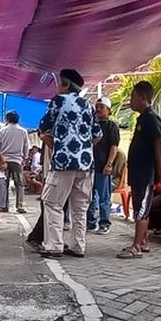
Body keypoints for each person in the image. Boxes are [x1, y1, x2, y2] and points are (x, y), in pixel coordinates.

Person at [38, 68, 100, 259]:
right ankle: (78, 246)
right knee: (80, 207)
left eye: (59, 83)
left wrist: (57, 145)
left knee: (53, 203)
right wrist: (84, 147)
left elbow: (43, 126)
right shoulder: (88, 106)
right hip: (86, 164)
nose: (57, 87)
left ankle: (54, 245)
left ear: (65, 85)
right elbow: (97, 135)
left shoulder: (57, 102)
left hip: (63, 162)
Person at [118, 80, 161, 259]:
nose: (130, 101)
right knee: (138, 206)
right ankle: (143, 241)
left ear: (143, 97)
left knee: (141, 211)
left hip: (146, 173)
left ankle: (136, 246)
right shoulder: (142, 118)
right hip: (138, 173)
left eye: (133, 97)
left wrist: (160, 171)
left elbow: (159, 146)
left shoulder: (151, 118)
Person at [88, 97, 122, 234]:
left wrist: (109, 164)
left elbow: (114, 147)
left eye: (102, 107)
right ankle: (90, 222)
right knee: (89, 197)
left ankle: (104, 223)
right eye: (97, 106)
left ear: (109, 110)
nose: (98, 109)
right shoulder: (91, 125)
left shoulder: (111, 126)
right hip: (89, 167)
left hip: (103, 167)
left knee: (103, 198)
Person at [0, 110, 29, 213]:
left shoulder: (2, 131)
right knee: (19, 184)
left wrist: (0, 159)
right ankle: (19, 206)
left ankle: (4, 206)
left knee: (4, 183)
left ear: (7, 119)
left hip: (4, 160)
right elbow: (26, 147)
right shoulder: (23, 131)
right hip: (17, 161)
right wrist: (25, 158)